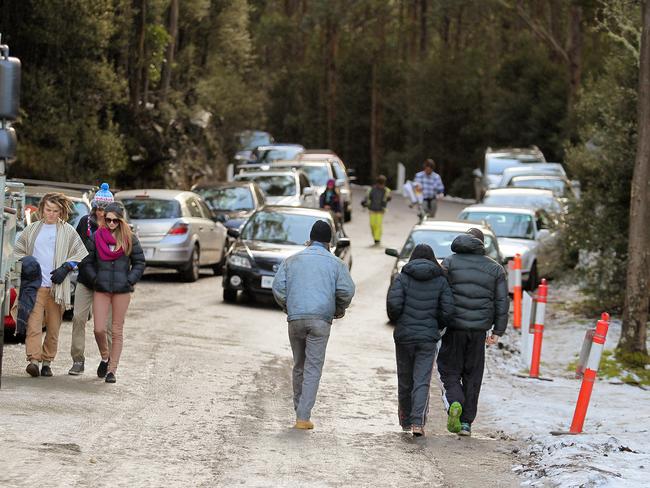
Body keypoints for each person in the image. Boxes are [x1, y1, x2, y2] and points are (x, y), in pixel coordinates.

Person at [272, 220, 355, 430]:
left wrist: (289, 307)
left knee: (299, 365)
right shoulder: (336, 263)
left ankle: (299, 410)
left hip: (296, 318)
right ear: (329, 242)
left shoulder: (292, 260)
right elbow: (347, 291)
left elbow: (278, 287)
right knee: (313, 368)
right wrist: (338, 309)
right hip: (320, 320)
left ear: (310, 239)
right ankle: (303, 416)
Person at [436, 228, 508, 436]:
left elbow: (440, 293)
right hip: (478, 331)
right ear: (481, 244)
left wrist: (439, 320)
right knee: (473, 375)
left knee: (449, 370)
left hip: (453, 328)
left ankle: (455, 402)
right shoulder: (495, 269)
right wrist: (498, 330)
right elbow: (501, 301)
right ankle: (466, 422)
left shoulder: (449, 262)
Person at [14, 193, 89, 377]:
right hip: (35, 286)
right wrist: (27, 264)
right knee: (34, 325)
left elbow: (80, 253)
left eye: (56, 211)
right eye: (48, 210)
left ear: (61, 212)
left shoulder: (68, 231)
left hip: (57, 287)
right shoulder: (31, 230)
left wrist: (66, 267)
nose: (51, 214)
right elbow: (17, 251)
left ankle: (47, 361)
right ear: (41, 209)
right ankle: (33, 360)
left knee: (54, 327)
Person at [387, 244, 454, 437]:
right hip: (427, 338)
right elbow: (448, 310)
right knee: (422, 380)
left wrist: (399, 320)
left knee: (405, 379)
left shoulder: (402, 278)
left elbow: (393, 304)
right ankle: (417, 423)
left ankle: (405, 420)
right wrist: (436, 325)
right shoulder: (440, 281)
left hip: (404, 337)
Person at [86, 203, 146, 383]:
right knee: (98, 329)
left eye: (115, 220)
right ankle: (105, 357)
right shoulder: (96, 237)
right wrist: (95, 279)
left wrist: (130, 280)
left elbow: (139, 262)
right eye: (108, 219)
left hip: (122, 290)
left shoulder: (130, 238)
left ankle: (112, 370)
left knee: (117, 330)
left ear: (121, 221)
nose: (111, 223)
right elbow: (87, 261)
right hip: (101, 288)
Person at [69, 183, 115, 375]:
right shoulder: (84, 223)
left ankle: (108, 361)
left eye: (105, 208)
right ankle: (78, 360)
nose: (101, 211)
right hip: (86, 280)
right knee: (78, 317)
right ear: (95, 206)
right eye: (99, 207)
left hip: (108, 285)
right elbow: (79, 253)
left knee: (106, 326)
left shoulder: (117, 226)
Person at [361, 174, 391, 245]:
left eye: (382, 184)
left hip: (381, 210)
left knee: (378, 224)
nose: (381, 186)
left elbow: (388, 198)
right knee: (372, 224)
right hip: (372, 209)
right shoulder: (372, 190)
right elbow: (367, 197)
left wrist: (389, 198)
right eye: (380, 184)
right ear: (377, 183)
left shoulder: (386, 190)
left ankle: (377, 239)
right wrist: (364, 203)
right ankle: (375, 236)